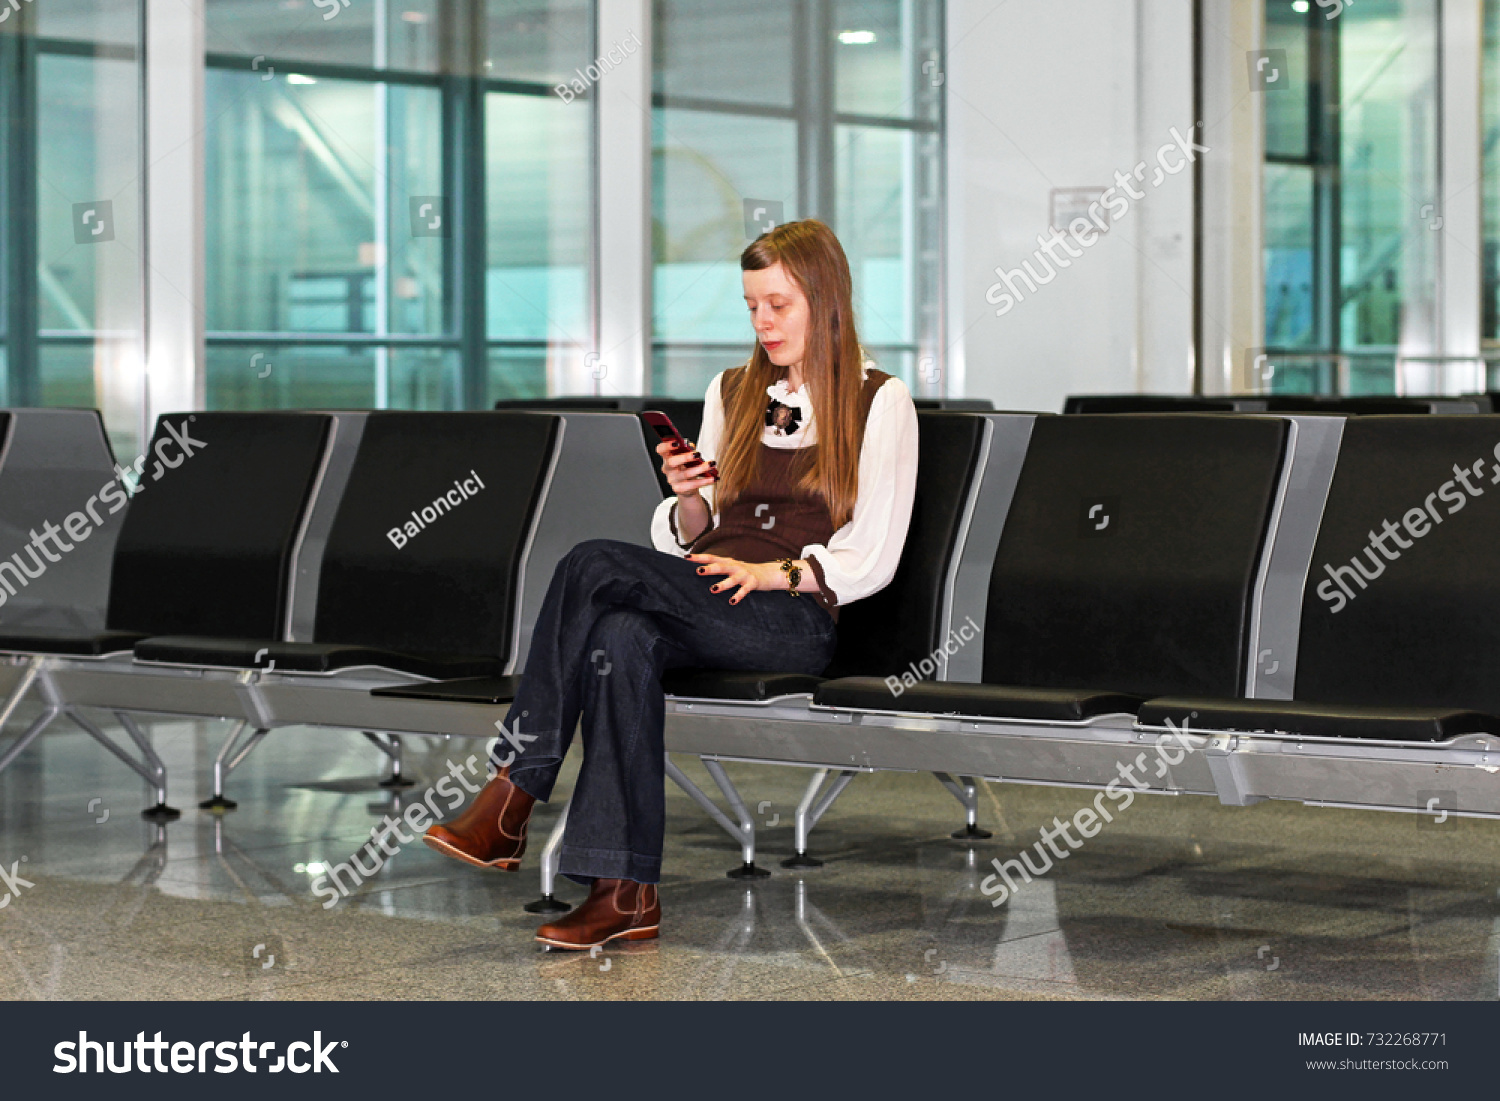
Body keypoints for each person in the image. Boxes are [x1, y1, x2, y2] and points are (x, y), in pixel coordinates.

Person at [422, 219, 919, 950]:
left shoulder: (882, 401)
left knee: (591, 562)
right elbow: (696, 528)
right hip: (706, 591)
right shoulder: (734, 391)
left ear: (824, 297)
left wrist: (767, 571)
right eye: (752, 305)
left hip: (789, 614)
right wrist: (690, 497)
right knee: (620, 637)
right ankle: (624, 893)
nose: (762, 321)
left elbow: (875, 554)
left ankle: (514, 789)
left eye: (778, 304)